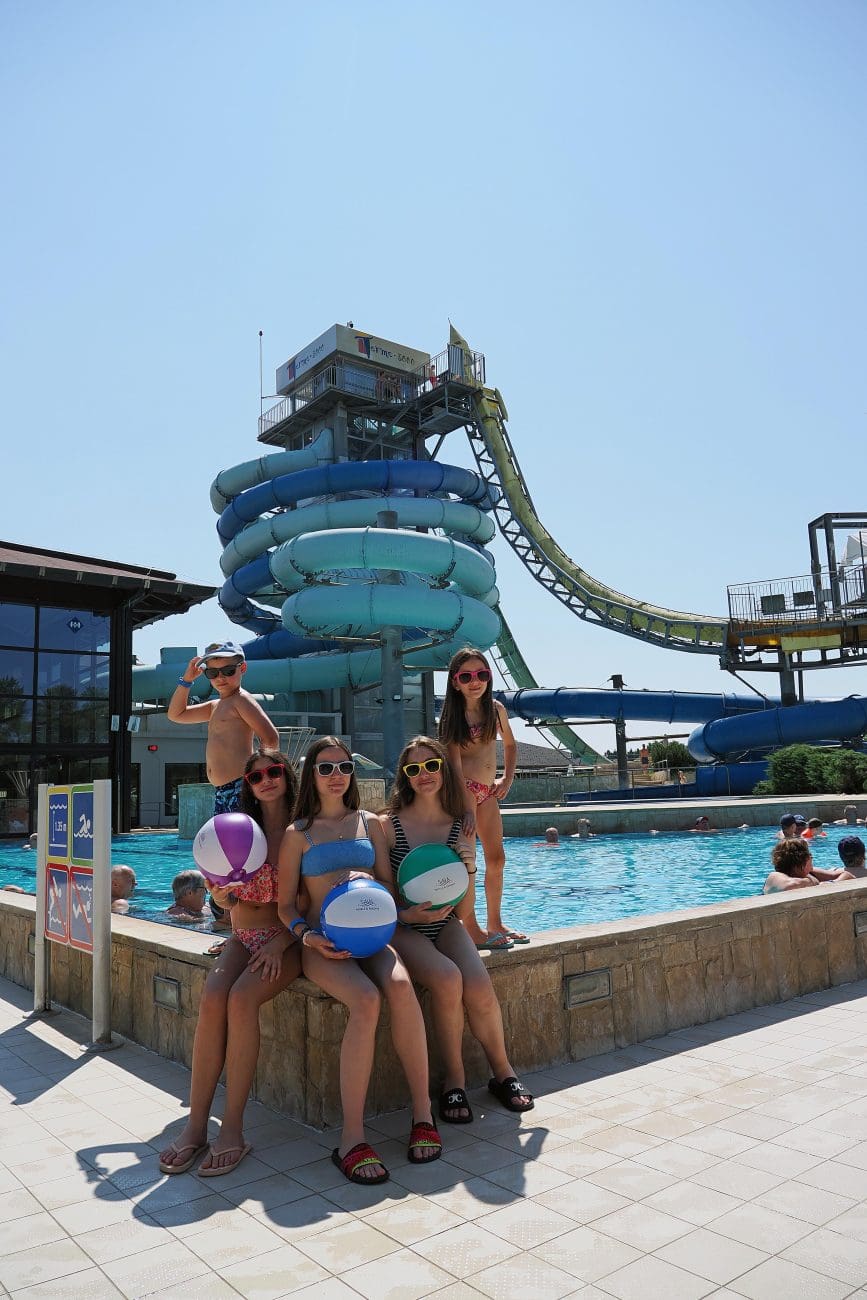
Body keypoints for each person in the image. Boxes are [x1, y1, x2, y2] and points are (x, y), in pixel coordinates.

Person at [278, 736, 440, 1185]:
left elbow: (388, 886)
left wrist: (369, 882)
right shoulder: (297, 834)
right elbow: (285, 906)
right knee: (366, 1000)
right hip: (324, 944)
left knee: (401, 987)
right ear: (311, 775)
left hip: (375, 937)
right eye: (326, 768)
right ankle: (352, 1138)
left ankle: (423, 1113)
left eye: (344, 767)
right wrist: (308, 937)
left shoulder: (370, 823)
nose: (336, 776)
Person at [159, 749, 301, 1178]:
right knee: (212, 997)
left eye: (274, 772)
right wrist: (221, 896)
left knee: (241, 1000)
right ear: (248, 786)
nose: (266, 780)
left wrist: (280, 943)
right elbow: (230, 902)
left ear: (288, 776)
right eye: (255, 776)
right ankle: (196, 1125)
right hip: (243, 937)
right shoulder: (239, 830)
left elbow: (314, 905)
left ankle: (234, 1129)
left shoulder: (302, 830)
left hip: (290, 941)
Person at [380, 737, 533, 1125]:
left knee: (478, 985)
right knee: (448, 979)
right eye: (414, 769)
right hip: (404, 926)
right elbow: (382, 897)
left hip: (446, 923)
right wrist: (408, 915)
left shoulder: (459, 826)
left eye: (432, 765)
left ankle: (503, 1072)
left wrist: (469, 866)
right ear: (404, 777)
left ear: (444, 770)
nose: (424, 774)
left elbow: (463, 912)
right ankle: (455, 1079)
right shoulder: (387, 826)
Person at [438, 646, 522, 952]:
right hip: (464, 791)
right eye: (466, 676)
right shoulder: (452, 717)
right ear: (455, 681)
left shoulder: (496, 710)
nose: (475, 681)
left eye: (482, 674)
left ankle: (495, 922)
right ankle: (471, 927)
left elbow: (510, 745)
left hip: (488, 792)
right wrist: (467, 809)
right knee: (468, 862)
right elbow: (454, 767)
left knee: (497, 859)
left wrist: (507, 778)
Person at [167, 641, 279, 814]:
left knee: (242, 832)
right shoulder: (215, 706)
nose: (220, 677)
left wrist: (261, 777)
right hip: (222, 790)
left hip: (241, 786)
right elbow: (176, 714)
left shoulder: (241, 700)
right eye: (212, 673)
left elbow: (270, 737)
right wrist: (187, 680)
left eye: (228, 671)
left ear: (242, 668)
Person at [763, 838, 853, 893]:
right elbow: (790, 886)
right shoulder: (775, 876)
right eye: (809, 855)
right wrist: (815, 884)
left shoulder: (809, 873)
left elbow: (847, 875)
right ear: (802, 859)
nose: (812, 857)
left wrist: (830, 883)